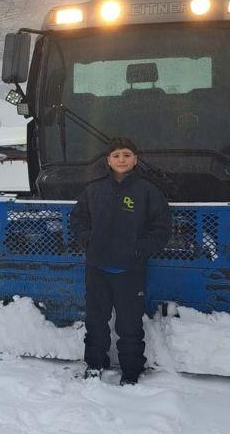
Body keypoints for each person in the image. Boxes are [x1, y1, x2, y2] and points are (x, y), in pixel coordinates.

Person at [68, 138, 172, 385]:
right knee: (95, 320)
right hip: (97, 268)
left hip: (130, 270)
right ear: (108, 160)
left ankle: (131, 370)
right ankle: (94, 364)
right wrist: (88, 241)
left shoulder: (147, 191)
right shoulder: (94, 190)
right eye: (116, 155)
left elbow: (162, 228)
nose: (121, 159)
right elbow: (77, 220)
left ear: (135, 159)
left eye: (127, 155)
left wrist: (140, 250)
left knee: (129, 324)